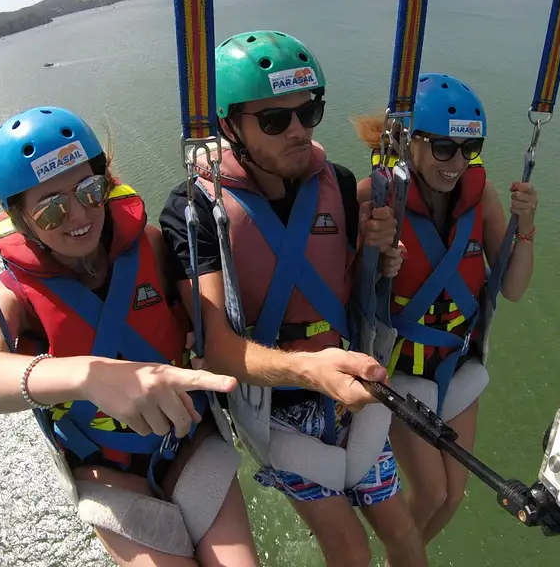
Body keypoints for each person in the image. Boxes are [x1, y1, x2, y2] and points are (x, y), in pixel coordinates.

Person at [160, 31, 425, 567]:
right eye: (276, 121)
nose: (299, 131)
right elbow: (218, 349)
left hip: (347, 381)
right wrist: (311, 372)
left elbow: (341, 284)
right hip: (273, 407)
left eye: (310, 112)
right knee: (350, 552)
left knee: (404, 536)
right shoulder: (194, 210)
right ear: (230, 128)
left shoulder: (339, 182)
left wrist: (378, 259)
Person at [0, 106, 260, 567]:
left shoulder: (153, 245)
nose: (78, 215)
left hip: (187, 439)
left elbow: (216, 315)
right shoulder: (13, 296)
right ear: (18, 217)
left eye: (89, 190)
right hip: (106, 469)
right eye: (51, 208)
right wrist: (90, 376)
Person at [353, 72, 538, 546]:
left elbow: (512, 288)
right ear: (409, 142)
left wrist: (528, 227)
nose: (457, 162)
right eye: (442, 149)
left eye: (468, 148)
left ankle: (400, 557)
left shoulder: (483, 199)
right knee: (431, 491)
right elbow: (344, 291)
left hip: (457, 361)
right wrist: (376, 262)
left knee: (454, 496)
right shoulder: (373, 195)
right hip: (401, 367)